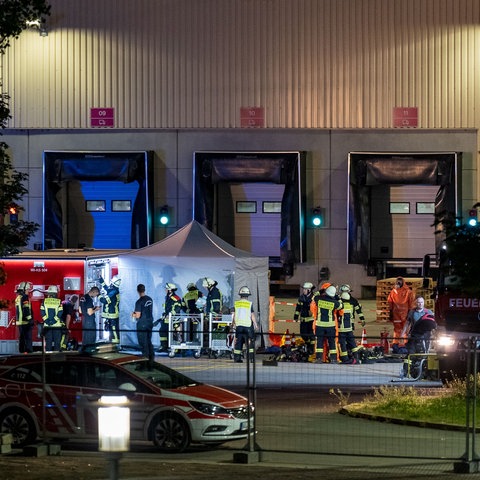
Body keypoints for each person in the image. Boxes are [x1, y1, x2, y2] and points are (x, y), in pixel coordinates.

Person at [401, 297, 436, 377]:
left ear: (424, 303)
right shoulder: (412, 312)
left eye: (422, 302)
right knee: (410, 354)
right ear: (416, 303)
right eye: (418, 302)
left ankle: (423, 372)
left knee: (424, 354)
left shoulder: (429, 312)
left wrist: (434, 337)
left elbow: (433, 325)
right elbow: (407, 323)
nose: (420, 304)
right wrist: (402, 334)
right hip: (414, 336)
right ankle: (405, 371)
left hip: (425, 337)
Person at [311, 285, 343, 363]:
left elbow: (313, 297)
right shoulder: (334, 302)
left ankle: (319, 359)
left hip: (319, 325)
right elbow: (341, 306)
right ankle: (334, 359)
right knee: (332, 342)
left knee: (319, 342)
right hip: (330, 326)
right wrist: (338, 298)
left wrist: (320, 291)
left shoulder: (318, 299)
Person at [338, 288, 365, 364]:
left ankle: (345, 358)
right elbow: (358, 310)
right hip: (349, 327)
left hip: (341, 329)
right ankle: (356, 357)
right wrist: (362, 319)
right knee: (352, 343)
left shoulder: (340, 305)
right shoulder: (352, 303)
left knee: (342, 343)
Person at [232, 286, 258, 363]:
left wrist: (233, 324)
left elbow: (234, 315)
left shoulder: (236, 303)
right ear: (248, 295)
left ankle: (237, 358)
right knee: (250, 342)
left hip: (239, 326)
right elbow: (252, 315)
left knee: (239, 342)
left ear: (240, 295)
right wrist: (255, 324)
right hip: (248, 326)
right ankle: (251, 358)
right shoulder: (249, 304)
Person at [387, 277, 416, 345]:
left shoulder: (407, 292)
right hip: (398, 314)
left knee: (404, 329)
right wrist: (391, 312)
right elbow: (390, 302)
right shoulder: (395, 291)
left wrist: (410, 313)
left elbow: (411, 303)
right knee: (399, 329)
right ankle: (399, 343)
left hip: (402, 314)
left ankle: (401, 343)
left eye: (399, 282)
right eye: (397, 282)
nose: (398, 284)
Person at [132, 283, 155, 368]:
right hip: (149, 323)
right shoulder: (149, 299)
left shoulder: (139, 302)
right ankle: (151, 361)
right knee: (149, 342)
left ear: (137, 291)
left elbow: (138, 315)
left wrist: (133, 314)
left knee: (143, 343)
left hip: (142, 324)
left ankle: (145, 363)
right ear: (144, 289)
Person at [157, 283, 182, 352]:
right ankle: (164, 346)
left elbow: (178, 307)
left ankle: (176, 348)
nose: (165, 290)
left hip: (173, 319)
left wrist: (170, 314)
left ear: (170, 290)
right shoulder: (167, 297)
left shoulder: (176, 298)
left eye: (166, 289)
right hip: (166, 319)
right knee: (162, 331)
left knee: (173, 333)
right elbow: (166, 308)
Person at [293, 282, 316, 357]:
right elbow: (298, 308)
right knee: (303, 335)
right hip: (303, 320)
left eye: (305, 289)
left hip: (311, 321)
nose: (304, 291)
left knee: (311, 336)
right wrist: (296, 316)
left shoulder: (313, 298)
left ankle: (311, 349)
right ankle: (307, 346)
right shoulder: (301, 298)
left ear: (309, 290)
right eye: (304, 289)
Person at [40, 285, 64, 351]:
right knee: (57, 343)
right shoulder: (59, 302)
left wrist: (47, 321)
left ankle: (47, 358)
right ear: (55, 293)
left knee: (48, 342)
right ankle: (56, 358)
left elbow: (42, 312)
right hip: (57, 325)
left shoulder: (44, 302)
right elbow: (60, 312)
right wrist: (53, 321)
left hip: (47, 326)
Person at [99, 275, 121, 344]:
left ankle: (115, 343)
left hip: (113, 314)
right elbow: (107, 288)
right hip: (111, 314)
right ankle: (112, 341)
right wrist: (101, 281)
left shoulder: (113, 292)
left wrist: (98, 295)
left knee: (114, 329)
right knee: (111, 329)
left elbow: (104, 300)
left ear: (113, 284)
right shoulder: (114, 290)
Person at [15, 281, 33, 353]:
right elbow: (26, 309)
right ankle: (28, 353)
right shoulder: (25, 297)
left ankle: (21, 352)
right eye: (28, 290)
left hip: (20, 321)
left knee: (22, 338)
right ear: (24, 289)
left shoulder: (18, 297)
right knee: (28, 338)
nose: (28, 291)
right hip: (25, 321)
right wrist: (30, 319)